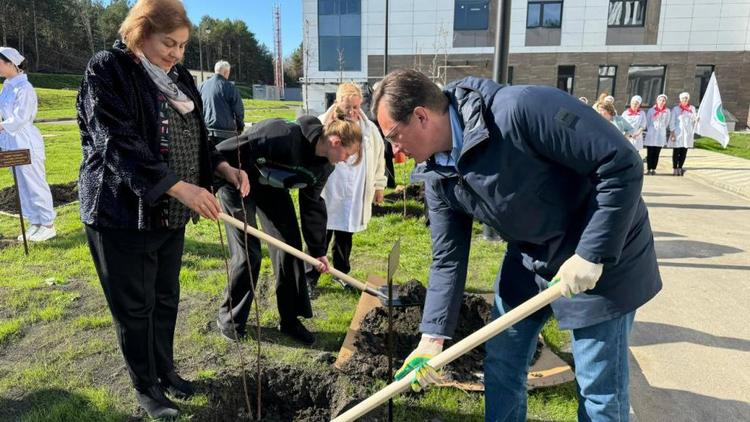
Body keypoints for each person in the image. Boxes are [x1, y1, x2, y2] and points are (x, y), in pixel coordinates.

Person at [374, 70, 661, 421]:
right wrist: (431, 338)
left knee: (598, 389)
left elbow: (620, 163)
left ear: (421, 116)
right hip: (530, 257)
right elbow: (448, 258)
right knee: (502, 363)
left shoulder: (522, 110)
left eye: (394, 136)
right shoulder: (438, 173)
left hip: (601, 256)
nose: (395, 150)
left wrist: (592, 253)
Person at [77, 0, 249, 418]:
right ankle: (147, 388)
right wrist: (177, 186)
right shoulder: (108, 69)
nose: (176, 53)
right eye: (168, 43)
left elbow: (199, 136)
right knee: (135, 307)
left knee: (166, 297)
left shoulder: (180, 77)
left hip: (169, 214)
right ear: (140, 33)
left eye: (183, 46)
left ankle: (166, 371)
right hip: (121, 213)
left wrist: (221, 166)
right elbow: (115, 141)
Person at [214, 110, 362, 346]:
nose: (345, 160)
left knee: (291, 248)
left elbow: (312, 204)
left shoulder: (325, 166)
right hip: (237, 179)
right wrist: (211, 185)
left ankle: (289, 319)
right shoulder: (281, 134)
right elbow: (223, 150)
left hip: (270, 186)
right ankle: (230, 319)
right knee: (249, 253)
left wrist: (317, 250)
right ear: (335, 142)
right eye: (347, 154)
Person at [305, 82, 386, 292]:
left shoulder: (369, 129)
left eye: (356, 107)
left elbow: (379, 158)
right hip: (330, 186)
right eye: (347, 106)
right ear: (338, 102)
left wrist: (378, 185)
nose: (351, 111)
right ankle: (310, 276)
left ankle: (341, 272)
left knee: (345, 232)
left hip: (355, 187)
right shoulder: (324, 122)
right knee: (321, 229)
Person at [0, 47, 56, 242]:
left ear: (11, 64)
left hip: (26, 142)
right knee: (22, 185)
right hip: (11, 143)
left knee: (35, 183)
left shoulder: (25, 88)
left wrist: (1, 126)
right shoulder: (7, 87)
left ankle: (48, 224)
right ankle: (35, 222)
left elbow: (20, 118)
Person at [199, 60, 245, 148]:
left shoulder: (201, 86)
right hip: (225, 134)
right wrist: (240, 127)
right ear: (226, 72)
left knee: (210, 159)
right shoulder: (230, 87)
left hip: (206, 131)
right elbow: (238, 110)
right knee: (225, 159)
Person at [669, 92, 698, 176]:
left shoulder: (692, 108)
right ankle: (675, 168)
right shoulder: (676, 109)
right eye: (683, 98)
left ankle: (680, 167)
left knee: (684, 152)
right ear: (680, 99)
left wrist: (697, 119)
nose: (684, 100)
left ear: (688, 99)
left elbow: (694, 119)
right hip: (678, 133)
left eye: (686, 98)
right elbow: (672, 121)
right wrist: (673, 133)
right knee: (676, 151)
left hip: (687, 133)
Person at [644, 94, 671, 175]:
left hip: (660, 133)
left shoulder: (667, 111)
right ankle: (649, 168)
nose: (661, 102)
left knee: (657, 152)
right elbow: (648, 122)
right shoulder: (651, 110)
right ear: (657, 101)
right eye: (660, 100)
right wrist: (651, 129)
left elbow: (667, 122)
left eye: (663, 101)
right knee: (650, 152)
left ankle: (653, 169)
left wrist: (661, 128)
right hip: (652, 132)